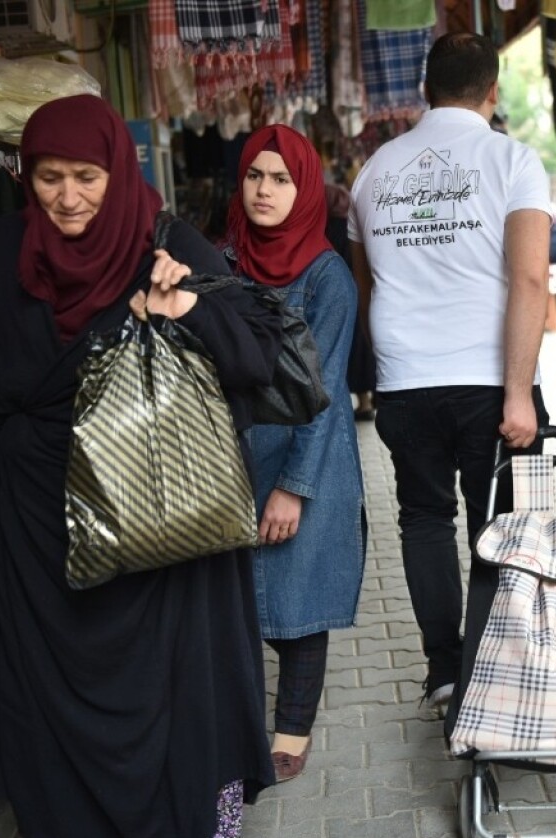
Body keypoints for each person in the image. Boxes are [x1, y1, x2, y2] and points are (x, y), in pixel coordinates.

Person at [0, 94, 282, 838]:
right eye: (49, 177)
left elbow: (260, 353)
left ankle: (182, 826)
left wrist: (185, 304)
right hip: (34, 521)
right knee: (42, 698)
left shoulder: (168, 240)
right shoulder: (2, 248)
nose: (67, 197)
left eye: (86, 176)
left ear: (117, 168)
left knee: (170, 690)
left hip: (151, 511)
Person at [347, 31, 553, 715]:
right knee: (497, 525)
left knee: (423, 520)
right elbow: (529, 278)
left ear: (423, 89)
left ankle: (444, 671)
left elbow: (366, 286)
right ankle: (497, 669)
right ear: (492, 91)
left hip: (405, 382)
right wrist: (520, 393)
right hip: (491, 383)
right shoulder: (513, 161)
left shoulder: (373, 173)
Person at [220, 125, 367, 783]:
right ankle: (239, 725)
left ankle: (292, 730)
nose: (265, 190)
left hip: (306, 459)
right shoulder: (223, 258)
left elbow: (327, 391)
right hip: (231, 458)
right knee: (239, 604)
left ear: (304, 187)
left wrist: (293, 487)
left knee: (299, 600)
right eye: (255, 175)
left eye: (281, 179)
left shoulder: (326, 275)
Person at [325, 181, 378, 419]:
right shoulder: (352, 223)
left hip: (339, 294)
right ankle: (367, 401)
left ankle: (361, 403)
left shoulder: (328, 228)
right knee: (362, 348)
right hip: (360, 291)